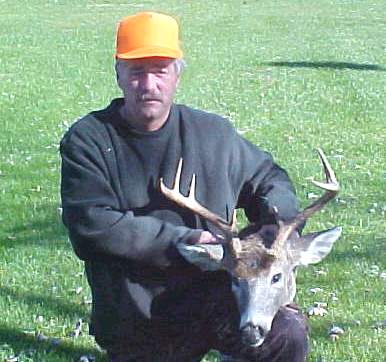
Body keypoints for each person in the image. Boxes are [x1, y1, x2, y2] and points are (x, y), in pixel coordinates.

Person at [60, 11, 308, 362]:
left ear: (177, 73)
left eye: (160, 70)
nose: (148, 85)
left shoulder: (213, 135)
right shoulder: (90, 141)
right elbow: (93, 227)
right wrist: (180, 241)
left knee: (286, 335)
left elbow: (270, 179)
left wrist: (276, 226)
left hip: (217, 300)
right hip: (138, 316)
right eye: (136, 71)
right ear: (118, 73)